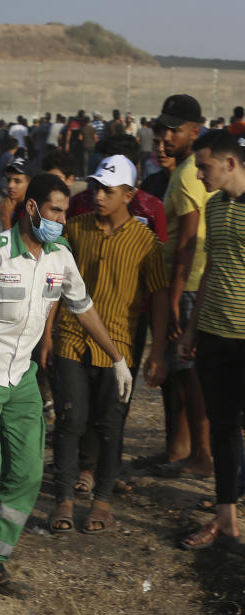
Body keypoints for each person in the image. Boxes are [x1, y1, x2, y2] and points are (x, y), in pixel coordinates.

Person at [0, 173, 132, 599]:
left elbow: (84, 309)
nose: (62, 220)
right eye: (56, 211)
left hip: (22, 378)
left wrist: (117, 358)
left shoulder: (60, 256)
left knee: (26, 476)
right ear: (32, 209)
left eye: (65, 212)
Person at [44, 156, 168, 535]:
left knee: (111, 426)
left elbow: (159, 298)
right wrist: (46, 334)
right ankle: (63, 498)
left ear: (129, 195)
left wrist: (158, 351)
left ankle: (101, 502)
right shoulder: (76, 230)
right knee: (70, 420)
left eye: (108, 190)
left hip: (119, 348)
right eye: (96, 187)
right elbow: (55, 283)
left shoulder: (146, 243)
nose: (98, 195)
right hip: (69, 339)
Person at [177, 129, 245, 550]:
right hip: (213, 334)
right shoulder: (215, 207)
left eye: (204, 166)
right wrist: (190, 327)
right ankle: (226, 519)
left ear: (230, 163)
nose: (199, 174)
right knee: (222, 426)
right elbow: (213, 269)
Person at [154, 94, 215, 478]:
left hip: (189, 286)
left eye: (174, 129)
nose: (166, 136)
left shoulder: (191, 172)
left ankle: (202, 457)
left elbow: (188, 241)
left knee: (191, 377)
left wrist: (174, 299)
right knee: (185, 375)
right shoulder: (192, 168)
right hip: (191, 285)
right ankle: (189, 451)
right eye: (163, 128)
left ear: (195, 130)